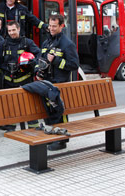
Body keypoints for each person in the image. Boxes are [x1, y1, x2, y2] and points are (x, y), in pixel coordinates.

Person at [37, 13, 79, 151]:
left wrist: (55, 61)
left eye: (54, 26)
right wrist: (38, 72)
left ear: (62, 26)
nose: (51, 28)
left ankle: (62, 140)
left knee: (60, 113)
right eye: (50, 25)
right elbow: (41, 60)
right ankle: (53, 135)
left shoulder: (67, 44)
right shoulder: (46, 42)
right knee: (49, 112)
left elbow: (74, 65)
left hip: (60, 84)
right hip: (46, 83)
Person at [0, 20, 40, 131]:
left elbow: (39, 54)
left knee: (29, 104)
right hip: (9, 80)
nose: (12, 33)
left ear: (18, 29)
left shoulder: (27, 43)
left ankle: (33, 127)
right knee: (11, 104)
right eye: (9, 30)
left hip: (25, 79)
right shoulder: (4, 44)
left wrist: (33, 62)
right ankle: (11, 126)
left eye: (13, 30)